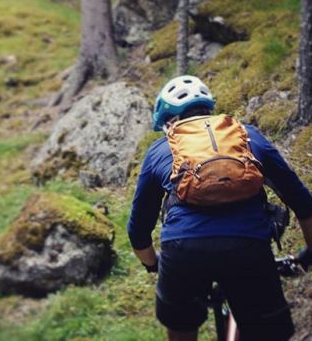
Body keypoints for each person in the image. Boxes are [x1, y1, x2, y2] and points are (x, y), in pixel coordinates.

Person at [127, 75, 312, 341]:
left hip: (183, 250)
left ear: (168, 122)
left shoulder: (160, 149)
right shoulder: (248, 137)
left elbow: (138, 232)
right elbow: (303, 203)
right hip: (248, 246)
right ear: (209, 111)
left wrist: (155, 265)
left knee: (181, 329)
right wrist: (308, 254)